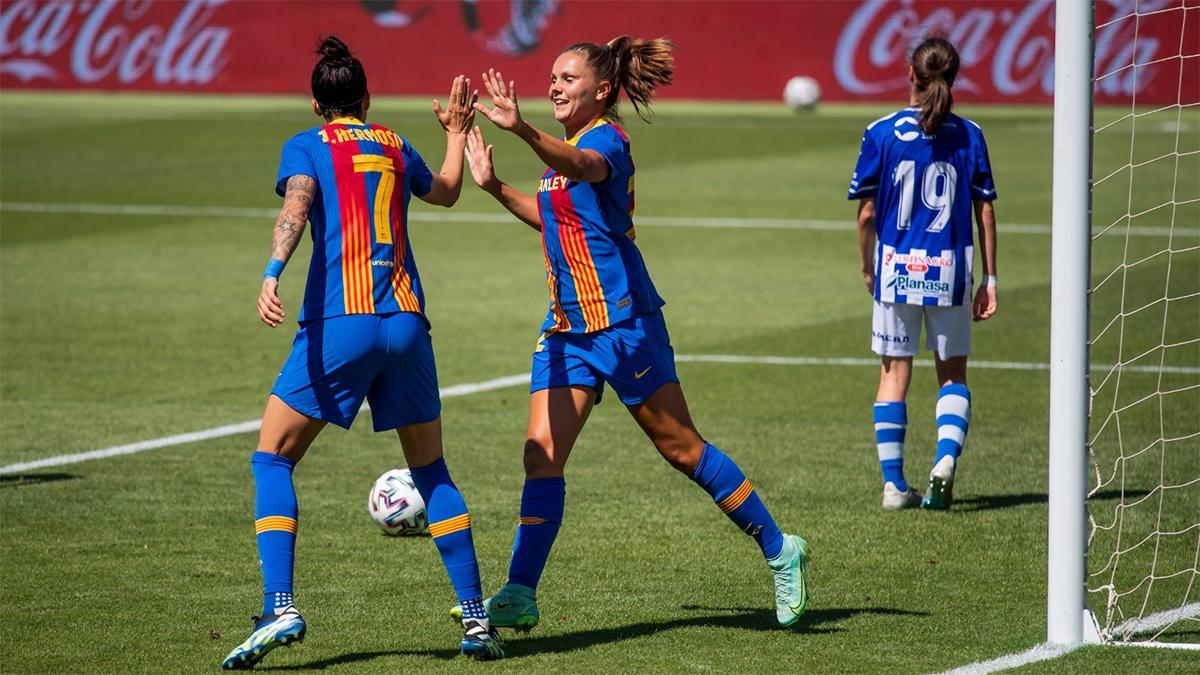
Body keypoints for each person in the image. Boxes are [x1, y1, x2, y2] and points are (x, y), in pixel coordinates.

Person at [453, 36, 810, 631]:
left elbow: (583, 169)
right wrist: (492, 186)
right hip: (567, 328)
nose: (554, 86)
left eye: (567, 78)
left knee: (682, 449)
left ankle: (780, 549)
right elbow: (550, 216)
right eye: (552, 77)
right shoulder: (564, 151)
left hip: (624, 323)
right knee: (540, 456)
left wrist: (520, 131)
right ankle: (519, 590)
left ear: (601, 89)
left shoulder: (605, 143)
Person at [221, 36, 504, 669]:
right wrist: (457, 131)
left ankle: (281, 604)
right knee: (433, 474)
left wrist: (272, 271)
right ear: (367, 100)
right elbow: (450, 191)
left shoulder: (307, 146)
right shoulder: (396, 143)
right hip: (405, 320)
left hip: (341, 322)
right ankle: (477, 618)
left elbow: (297, 205)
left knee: (272, 460)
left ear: (317, 103)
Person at [846, 36, 998, 512]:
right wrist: (990, 280)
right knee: (952, 376)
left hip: (896, 269)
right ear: (953, 79)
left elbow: (867, 214)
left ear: (910, 74)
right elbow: (985, 210)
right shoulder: (970, 134)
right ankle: (944, 459)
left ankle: (894, 486)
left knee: (893, 374)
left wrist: (867, 264)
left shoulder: (881, 131)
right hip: (951, 271)